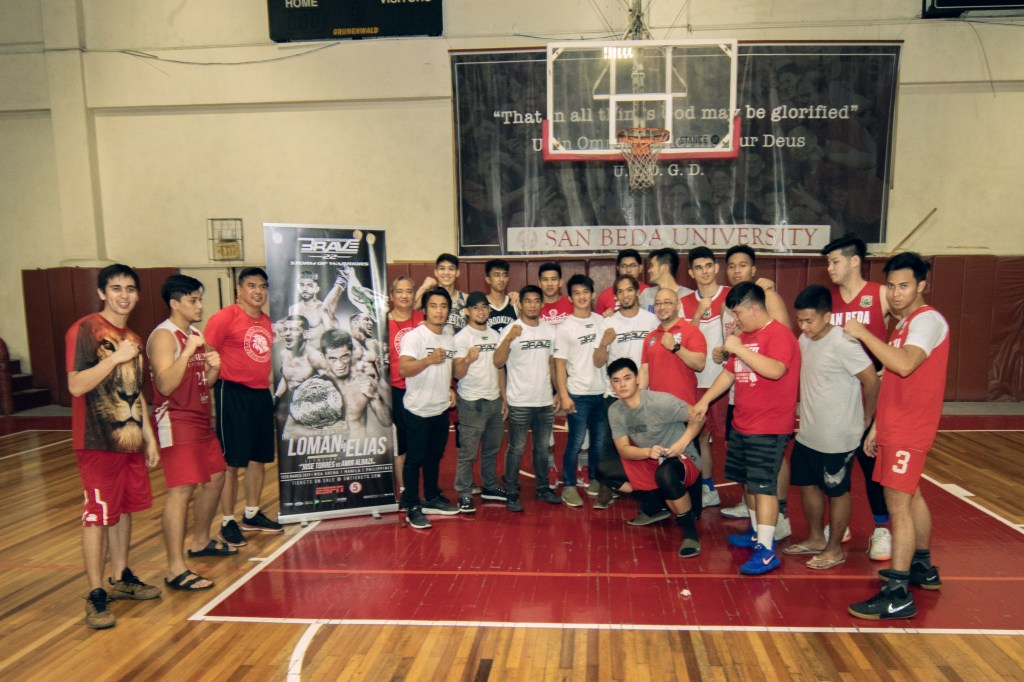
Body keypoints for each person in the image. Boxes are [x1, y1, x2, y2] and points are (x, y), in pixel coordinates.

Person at [846, 252, 949, 620]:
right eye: (890, 286)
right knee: (912, 495)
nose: (896, 293)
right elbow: (893, 377)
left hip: (910, 427)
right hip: (896, 424)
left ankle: (898, 592)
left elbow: (904, 363)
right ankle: (922, 567)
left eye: (904, 285)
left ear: (922, 285)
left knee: (898, 505)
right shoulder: (905, 324)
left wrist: (863, 334)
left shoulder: (926, 321)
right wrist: (877, 424)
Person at [66, 264, 162, 629]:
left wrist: (149, 438)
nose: (125, 295)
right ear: (103, 292)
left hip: (130, 440)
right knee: (97, 514)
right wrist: (116, 359)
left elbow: (136, 393)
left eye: (131, 288)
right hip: (96, 441)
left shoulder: (133, 337)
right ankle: (95, 592)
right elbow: (76, 385)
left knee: (124, 509)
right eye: (117, 288)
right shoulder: (85, 330)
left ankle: (121, 576)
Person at [692, 281, 800, 576]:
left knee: (763, 487)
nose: (735, 320)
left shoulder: (779, 335)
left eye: (738, 313)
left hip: (769, 425)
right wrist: (705, 400)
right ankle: (756, 534)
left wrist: (738, 347)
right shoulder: (746, 337)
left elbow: (776, 370)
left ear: (755, 307)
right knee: (750, 484)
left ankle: (766, 551)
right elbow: (728, 376)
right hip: (743, 422)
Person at [783, 285, 878, 570]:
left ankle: (834, 548)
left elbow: (872, 381)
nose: (804, 326)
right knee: (807, 485)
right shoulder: (804, 339)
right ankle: (815, 538)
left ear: (827, 316)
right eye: (800, 319)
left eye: (809, 320)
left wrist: (868, 419)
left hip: (839, 436)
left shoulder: (843, 342)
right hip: (809, 432)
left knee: (837, 491)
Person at [147, 275, 231, 594]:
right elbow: (166, 385)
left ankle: (201, 540)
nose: (199, 305)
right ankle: (175, 568)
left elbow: (202, 384)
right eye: (193, 300)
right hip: (176, 419)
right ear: (174, 303)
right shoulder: (164, 337)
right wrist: (187, 353)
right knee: (181, 490)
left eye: (200, 299)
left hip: (199, 418)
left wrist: (213, 368)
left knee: (216, 477)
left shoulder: (194, 333)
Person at [823, 233, 893, 561]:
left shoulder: (880, 295)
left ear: (854, 261)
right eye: (827, 262)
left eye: (834, 261)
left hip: (870, 392)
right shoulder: (828, 301)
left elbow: (907, 331)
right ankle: (842, 524)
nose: (830, 267)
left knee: (871, 463)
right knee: (836, 463)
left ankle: (882, 529)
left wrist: (888, 367)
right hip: (837, 395)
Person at [718, 244, 793, 540]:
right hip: (744, 400)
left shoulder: (768, 303)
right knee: (750, 474)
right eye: (732, 265)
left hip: (769, 409)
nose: (736, 270)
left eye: (742, 265)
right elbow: (731, 366)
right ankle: (756, 528)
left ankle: (778, 519)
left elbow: (778, 359)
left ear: (754, 268)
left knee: (767, 471)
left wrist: (738, 347)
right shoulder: (738, 313)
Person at [204, 267, 280, 546]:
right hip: (231, 392)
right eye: (251, 285)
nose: (258, 291)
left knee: (258, 458)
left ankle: (251, 513)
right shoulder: (224, 318)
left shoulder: (267, 321)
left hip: (261, 394)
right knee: (232, 462)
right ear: (239, 289)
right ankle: (227, 521)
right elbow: (207, 353)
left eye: (262, 286)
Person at [606, 359, 706, 557]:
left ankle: (690, 534)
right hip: (650, 459)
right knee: (604, 470)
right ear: (611, 384)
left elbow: (698, 416)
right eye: (616, 380)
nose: (622, 384)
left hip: (682, 458)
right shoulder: (615, 410)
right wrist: (647, 452)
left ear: (637, 379)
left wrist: (681, 443)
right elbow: (624, 450)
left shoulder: (660, 402)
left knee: (665, 474)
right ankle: (658, 505)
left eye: (627, 378)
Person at [636, 287, 707, 524]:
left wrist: (676, 347)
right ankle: (664, 506)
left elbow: (699, 364)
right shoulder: (651, 337)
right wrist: (636, 402)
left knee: (690, 462)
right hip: (657, 412)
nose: (663, 306)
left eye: (667, 302)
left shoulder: (690, 331)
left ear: (677, 305)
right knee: (659, 460)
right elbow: (644, 373)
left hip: (684, 411)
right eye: (658, 303)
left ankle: (693, 510)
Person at [592, 274, 658, 508]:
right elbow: (598, 361)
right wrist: (604, 344)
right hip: (615, 397)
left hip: (644, 394)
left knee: (644, 444)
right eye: (620, 292)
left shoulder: (651, 320)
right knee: (609, 444)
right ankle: (607, 488)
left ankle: (649, 493)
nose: (625, 295)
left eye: (629, 290)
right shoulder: (608, 322)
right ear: (616, 296)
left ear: (637, 292)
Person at [494, 285, 562, 511]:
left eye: (536, 301)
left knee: (542, 448)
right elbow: (498, 362)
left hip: (543, 401)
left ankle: (542, 488)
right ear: (520, 304)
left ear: (542, 304)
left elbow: (552, 363)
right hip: (519, 401)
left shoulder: (549, 330)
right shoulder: (511, 328)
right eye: (528, 301)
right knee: (516, 448)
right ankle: (511, 491)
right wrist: (508, 339)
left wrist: (558, 392)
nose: (532, 305)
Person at [398, 287, 460, 528]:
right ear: (424, 310)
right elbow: (404, 369)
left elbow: (447, 371)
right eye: (433, 306)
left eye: (443, 306)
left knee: (434, 457)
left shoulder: (448, 337)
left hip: (440, 409)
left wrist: (450, 389)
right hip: (417, 410)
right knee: (415, 459)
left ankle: (432, 496)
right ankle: (412, 504)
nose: (439, 311)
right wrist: (428, 360)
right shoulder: (414, 337)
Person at [680, 247, 731, 508]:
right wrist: (699, 313)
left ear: (716, 267)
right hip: (696, 381)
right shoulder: (685, 302)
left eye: (708, 265)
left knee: (733, 437)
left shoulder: (731, 295)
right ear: (691, 272)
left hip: (728, 381)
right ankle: (708, 486)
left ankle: (748, 496)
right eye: (698, 267)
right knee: (701, 436)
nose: (704, 271)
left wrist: (727, 350)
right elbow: (685, 339)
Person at [553, 274, 608, 506]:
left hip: (601, 392)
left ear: (593, 294)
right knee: (575, 442)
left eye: (586, 292)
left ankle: (594, 478)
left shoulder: (602, 322)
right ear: (570, 298)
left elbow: (604, 355)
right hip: (577, 393)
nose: (582, 296)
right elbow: (559, 365)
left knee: (598, 441)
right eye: (576, 293)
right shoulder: (565, 327)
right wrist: (563, 394)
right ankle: (568, 485)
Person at [452, 292, 508, 513]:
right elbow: (457, 373)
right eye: (475, 308)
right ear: (467, 311)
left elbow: (500, 368)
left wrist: (504, 398)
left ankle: (490, 487)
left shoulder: (495, 335)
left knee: (491, 449)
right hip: (472, 402)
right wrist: (467, 358)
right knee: (468, 453)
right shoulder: (462, 338)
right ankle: (464, 494)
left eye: (484, 307)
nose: (481, 311)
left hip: (494, 400)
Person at [317, 329, 392, 439]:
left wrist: (376, 396)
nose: (340, 365)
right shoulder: (315, 387)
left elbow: (387, 422)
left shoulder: (364, 381)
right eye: (332, 359)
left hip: (359, 451)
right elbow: (290, 430)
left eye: (344, 356)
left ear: (352, 352)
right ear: (323, 356)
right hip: (332, 452)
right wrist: (328, 431)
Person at [536, 261, 572, 486]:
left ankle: (583, 466)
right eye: (545, 279)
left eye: (553, 279)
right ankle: (550, 465)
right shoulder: (532, 306)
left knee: (578, 420)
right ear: (539, 283)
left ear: (560, 282)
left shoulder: (571, 304)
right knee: (545, 422)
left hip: (571, 371)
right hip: (541, 372)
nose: (549, 284)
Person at [387, 275, 423, 496]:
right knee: (400, 442)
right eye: (399, 291)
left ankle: (420, 486)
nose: (404, 295)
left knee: (419, 442)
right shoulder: (383, 323)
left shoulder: (422, 319)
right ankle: (404, 488)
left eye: (409, 291)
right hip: (395, 390)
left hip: (421, 388)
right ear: (391, 296)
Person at [416, 253, 467, 335]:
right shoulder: (428, 298)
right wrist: (423, 287)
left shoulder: (465, 298)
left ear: (457, 272)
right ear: (436, 272)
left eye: (451, 269)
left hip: (459, 347)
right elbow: (407, 310)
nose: (446, 272)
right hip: (434, 346)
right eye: (442, 268)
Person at [594, 249, 650, 316]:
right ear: (618, 269)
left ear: (640, 268)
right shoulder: (605, 295)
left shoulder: (649, 292)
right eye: (624, 266)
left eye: (633, 266)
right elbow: (599, 321)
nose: (628, 270)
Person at [638, 248, 694, 312]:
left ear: (664, 268)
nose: (649, 270)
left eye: (652, 266)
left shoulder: (689, 296)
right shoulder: (647, 294)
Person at [483, 259, 519, 332]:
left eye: (505, 275)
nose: (501, 279)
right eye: (497, 275)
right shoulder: (481, 304)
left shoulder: (515, 302)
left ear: (508, 279)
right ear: (488, 279)